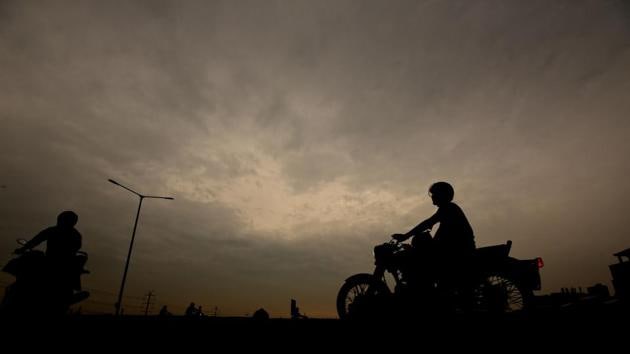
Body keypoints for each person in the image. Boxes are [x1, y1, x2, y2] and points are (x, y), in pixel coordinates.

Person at [391, 182, 476, 310]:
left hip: (457, 251)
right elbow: (437, 233)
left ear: (442, 195)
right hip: (454, 249)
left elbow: (428, 223)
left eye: (435, 194)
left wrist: (406, 236)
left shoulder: (449, 208)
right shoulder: (448, 209)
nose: (433, 197)